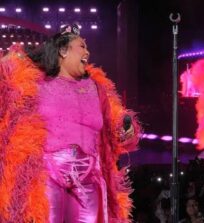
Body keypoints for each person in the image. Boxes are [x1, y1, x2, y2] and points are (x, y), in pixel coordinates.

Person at [0, 24, 140, 222]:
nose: (87, 51)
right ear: (63, 51)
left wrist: (124, 129)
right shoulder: (36, 83)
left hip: (89, 174)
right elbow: (5, 87)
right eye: (81, 46)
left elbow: (114, 124)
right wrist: (15, 59)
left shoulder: (97, 87)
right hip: (49, 173)